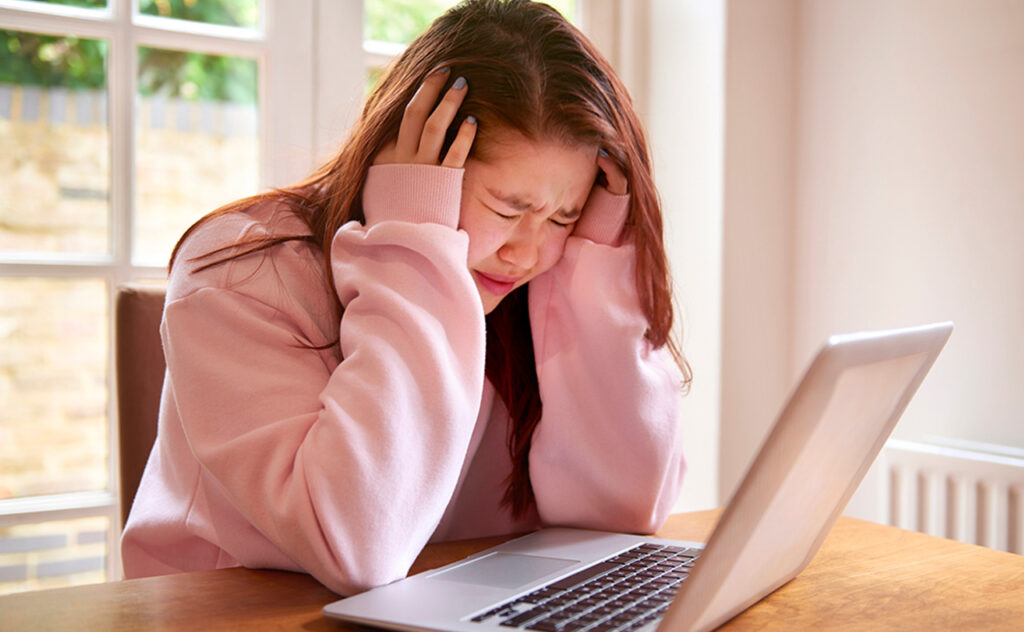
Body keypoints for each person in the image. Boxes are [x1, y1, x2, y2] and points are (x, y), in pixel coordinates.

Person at [121, 0, 691, 596]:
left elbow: (621, 515)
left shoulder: (543, 280)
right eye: (507, 208)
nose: (525, 254)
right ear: (411, 161)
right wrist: (416, 241)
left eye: (562, 217)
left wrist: (593, 271)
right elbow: (354, 544)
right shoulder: (242, 270)